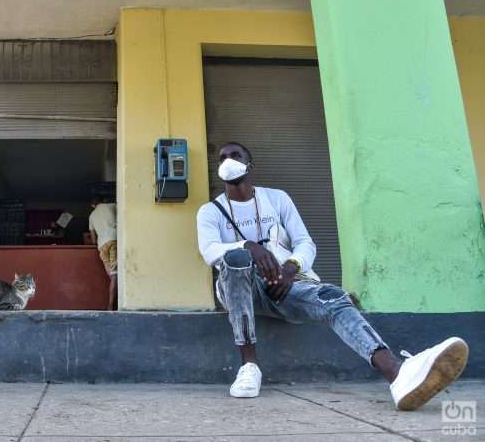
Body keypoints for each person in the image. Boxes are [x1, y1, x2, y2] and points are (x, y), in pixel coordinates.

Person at [196, 141, 469, 410]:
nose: (228, 160)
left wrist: (291, 268)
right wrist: (248, 245)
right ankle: (249, 367)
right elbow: (209, 251)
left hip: (283, 285)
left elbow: (305, 243)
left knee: (333, 296)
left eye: (235, 155)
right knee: (236, 259)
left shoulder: (277, 199)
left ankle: (397, 373)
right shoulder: (210, 212)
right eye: (222, 157)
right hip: (239, 290)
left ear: (249, 164)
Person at [89, 196, 118, 310]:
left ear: (92, 206)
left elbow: (93, 240)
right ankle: (110, 306)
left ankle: (112, 305)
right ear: (101, 201)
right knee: (115, 276)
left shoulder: (91, 216)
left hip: (101, 246)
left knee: (112, 276)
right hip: (113, 240)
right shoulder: (111, 206)